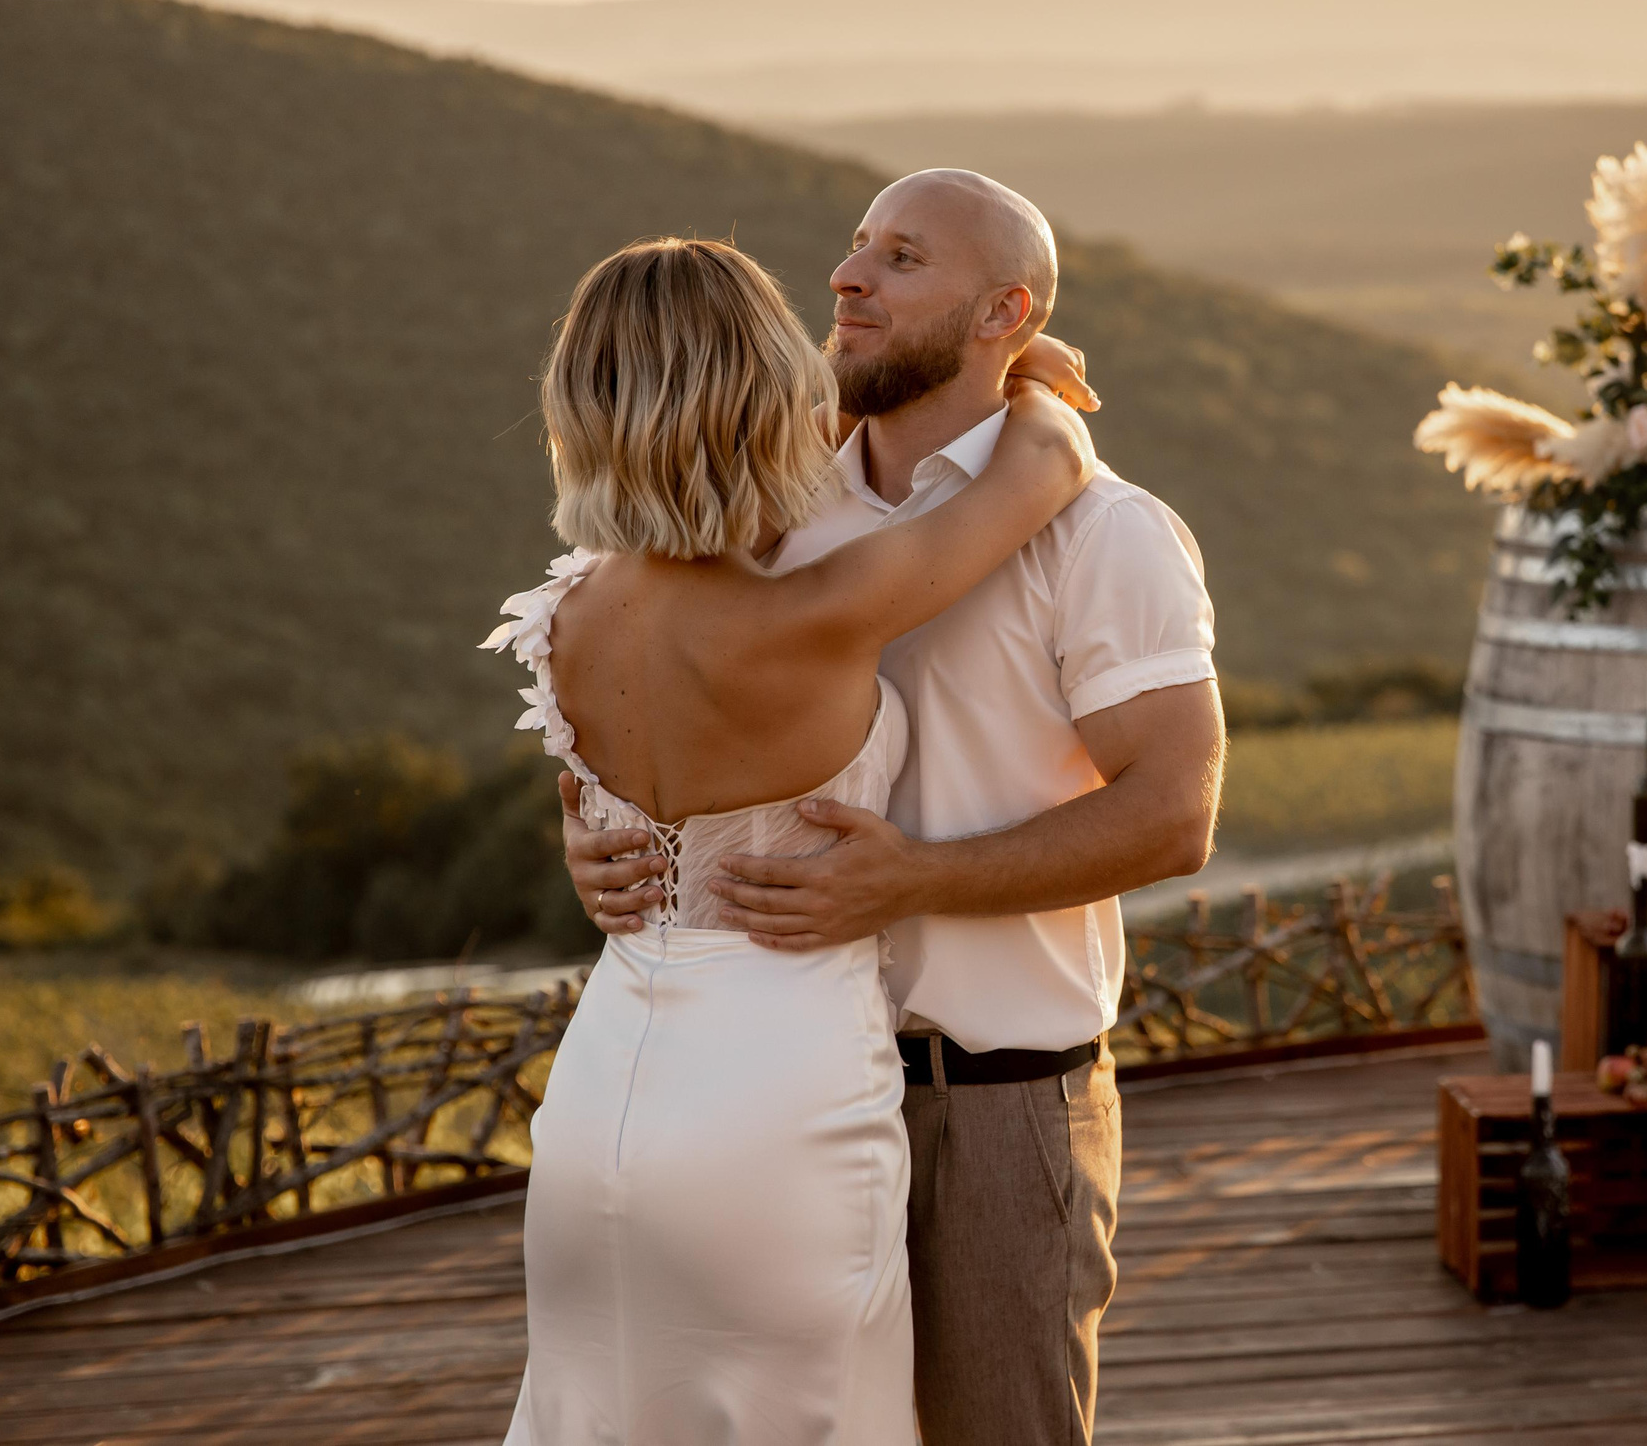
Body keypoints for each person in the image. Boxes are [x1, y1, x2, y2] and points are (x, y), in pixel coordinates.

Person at [561, 170, 1225, 1446]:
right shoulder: (763, 510)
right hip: (771, 1094)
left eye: (901, 258)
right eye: (855, 246)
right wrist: (600, 840)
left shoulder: (1103, 535)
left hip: (988, 1101)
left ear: (1002, 312)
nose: (847, 278)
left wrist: (914, 878)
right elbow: (630, 690)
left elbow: (1171, 816)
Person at [486, 234, 1098, 1445]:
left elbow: (603, 815)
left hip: (603, 1091)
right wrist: (1019, 370)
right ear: (767, 390)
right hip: (777, 1109)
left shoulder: (567, 617)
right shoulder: (813, 617)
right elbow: (1046, 467)